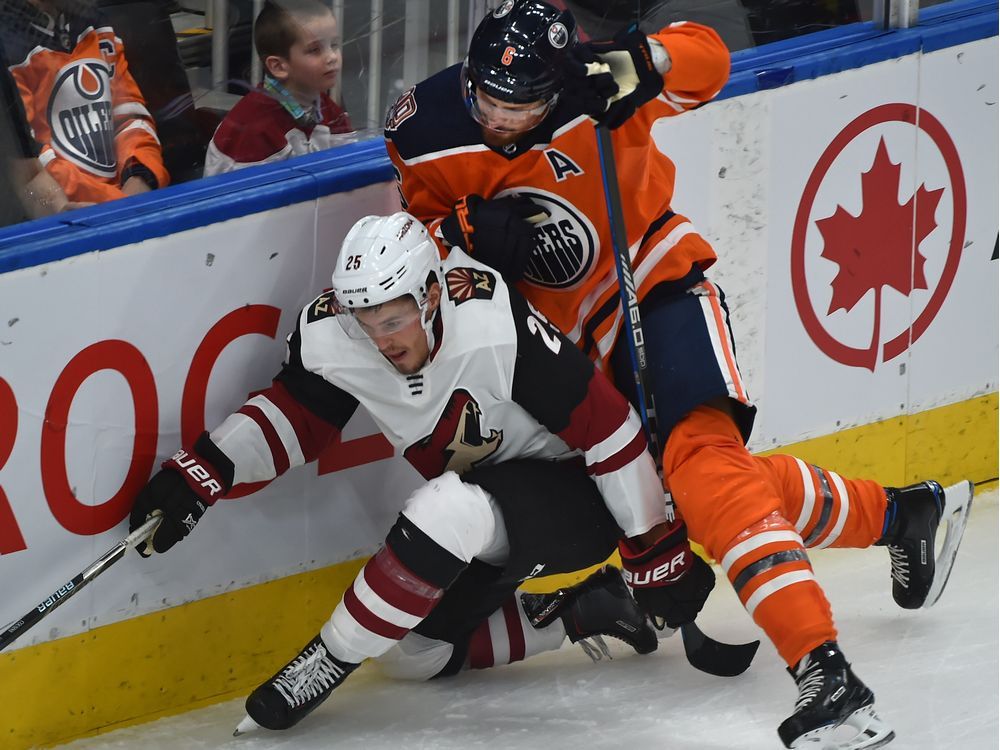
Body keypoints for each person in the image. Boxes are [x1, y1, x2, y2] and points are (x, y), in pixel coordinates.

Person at [383, 3, 973, 748]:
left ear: (555, 87)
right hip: (553, 347)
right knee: (695, 492)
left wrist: (646, 61)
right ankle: (901, 517)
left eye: (520, 104)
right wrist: (460, 233)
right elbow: (411, 239)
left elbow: (710, 59)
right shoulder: (423, 128)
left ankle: (827, 674)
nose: (500, 119)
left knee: (701, 467)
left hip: (655, 290)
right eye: (487, 100)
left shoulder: (597, 86)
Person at [128, 211, 718, 733]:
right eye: (366, 322)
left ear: (431, 295)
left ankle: (326, 660)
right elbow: (296, 419)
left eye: (393, 322)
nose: (380, 341)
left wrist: (651, 541)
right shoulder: (338, 335)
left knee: (446, 508)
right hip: (493, 510)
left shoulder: (493, 325)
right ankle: (585, 611)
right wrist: (201, 473)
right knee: (412, 653)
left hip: (574, 495)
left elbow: (609, 429)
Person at [0, 0, 169, 206]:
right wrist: (119, 204)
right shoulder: (7, 47)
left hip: (130, 200)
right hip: (67, 215)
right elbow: (31, 167)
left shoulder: (94, 24)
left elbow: (130, 117)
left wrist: (140, 176)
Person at [203, 0, 353, 177]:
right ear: (278, 67)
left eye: (334, 45)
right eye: (314, 50)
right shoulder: (252, 130)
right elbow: (252, 199)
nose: (332, 57)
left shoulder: (331, 112)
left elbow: (349, 171)